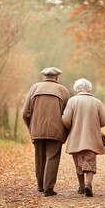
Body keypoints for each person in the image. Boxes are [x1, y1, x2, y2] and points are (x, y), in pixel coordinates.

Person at [22, 67, 70, 197]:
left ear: (44, 77)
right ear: (57, 77)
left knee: (39, 157)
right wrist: (66, 131)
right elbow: (68, 115)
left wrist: (31, 128)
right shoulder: (63, 90)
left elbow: (25, 113)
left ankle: (40, 186)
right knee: (52, 157)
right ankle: (48, 188)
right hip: (56, 130)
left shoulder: (34, 88)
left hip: (37, 129)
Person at [62, 78, 105, 197]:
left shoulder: (72, 101)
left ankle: (81, 187)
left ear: (76, 89)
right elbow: (104, 122)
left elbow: (66, 120)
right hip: (92, 137)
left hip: (76, 137)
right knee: (90, 161)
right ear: (89, 89)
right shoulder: (97, 102)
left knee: (79, 162)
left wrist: (71, 126)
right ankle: (88, 183)